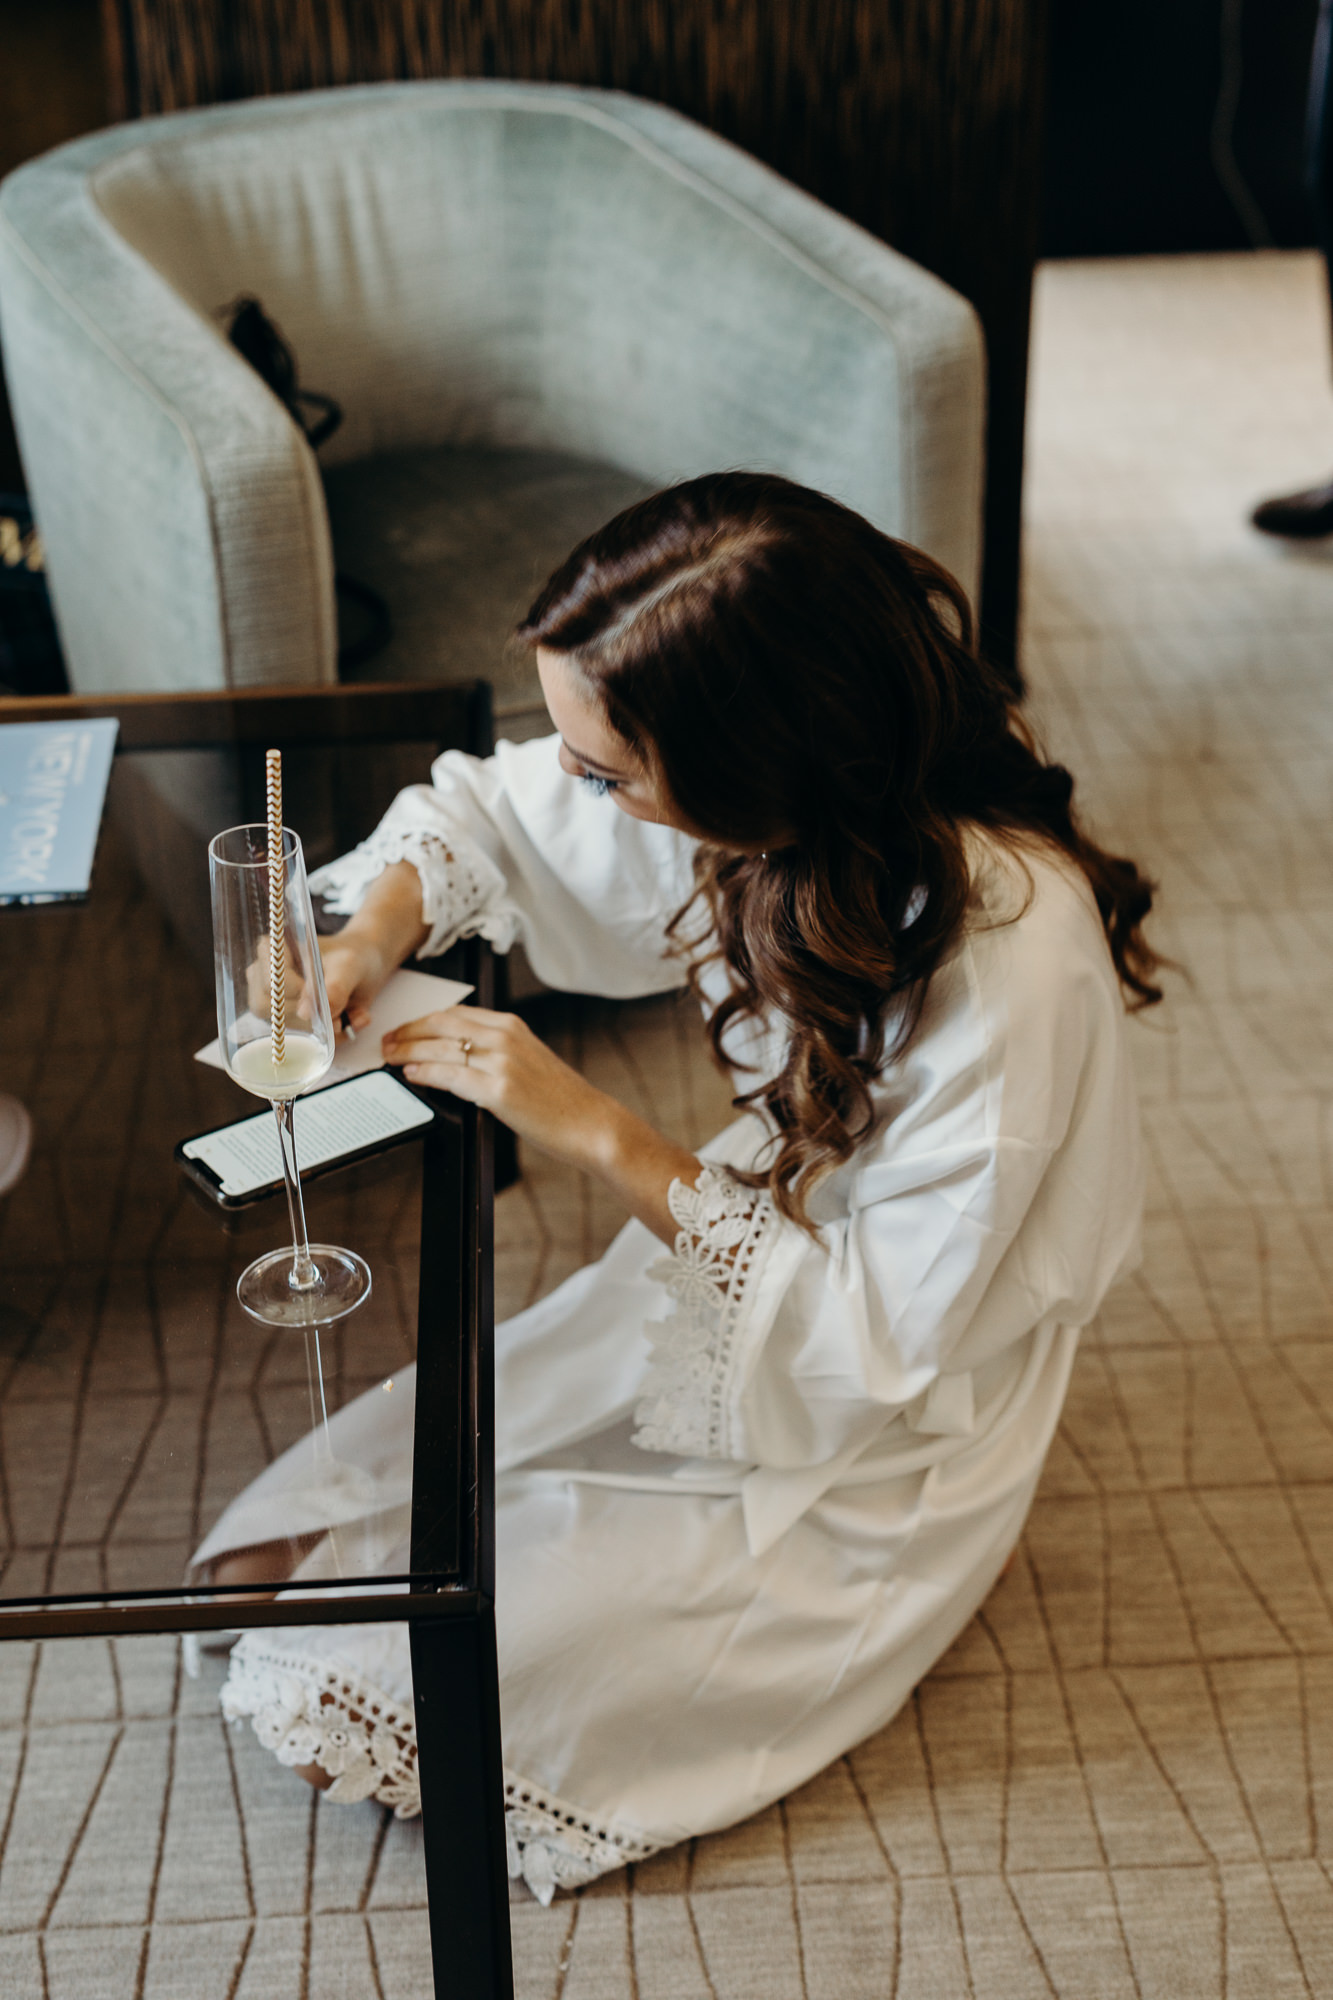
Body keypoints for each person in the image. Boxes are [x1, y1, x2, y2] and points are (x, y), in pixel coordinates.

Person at [191, 472, 1160, 1904]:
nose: (582, 787)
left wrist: (591, 1128)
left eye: (611, 774)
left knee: (352, 1692)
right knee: (259, 1566)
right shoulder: (775, 796)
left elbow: (876, 1349)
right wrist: (374, 925)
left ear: (758, 762)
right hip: (738, 1253)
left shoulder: (1011, 959)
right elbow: (499, 811)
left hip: (882, 1405)